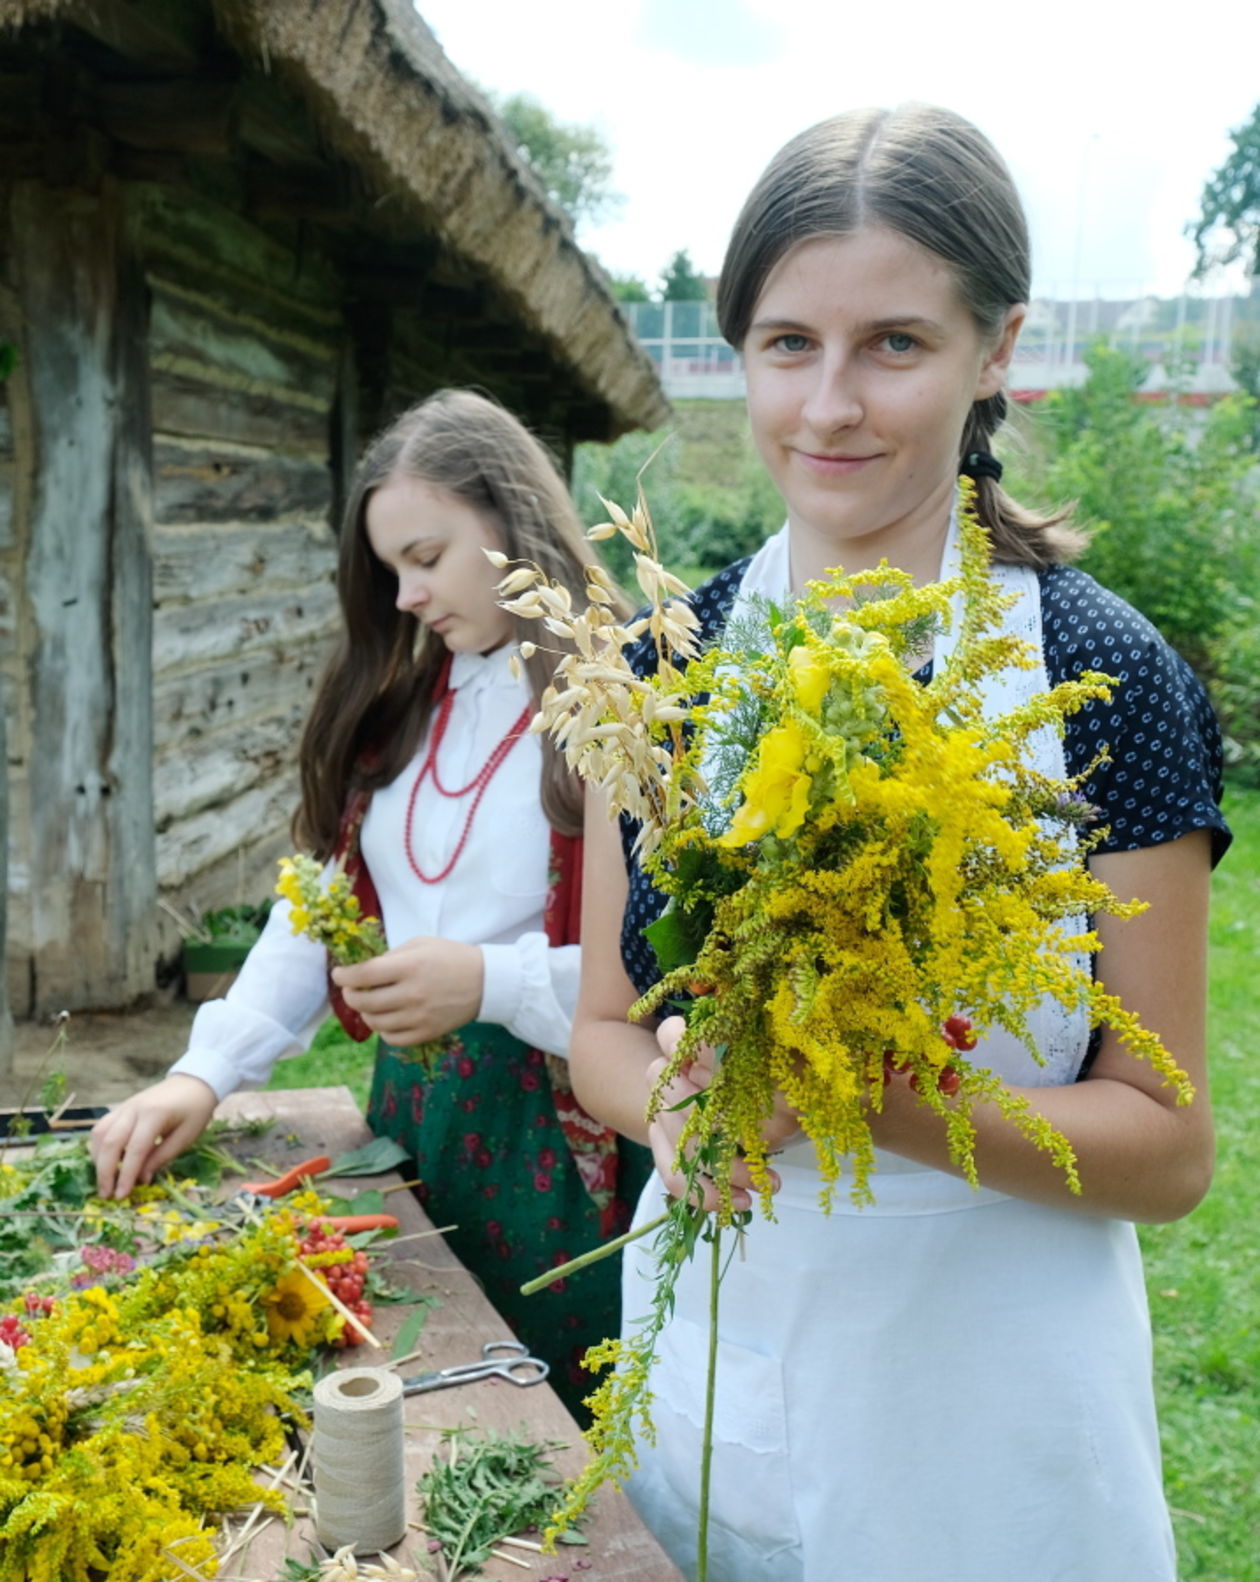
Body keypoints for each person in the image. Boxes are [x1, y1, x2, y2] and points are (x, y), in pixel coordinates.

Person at [570, 105, 1231, 1580]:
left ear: (996, 350)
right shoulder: (661, 665)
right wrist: (681, 1113)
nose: (830, 405)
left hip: (990, 1453)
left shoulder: (1106, 680)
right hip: (711, 1410)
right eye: (789, 342)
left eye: (896, 344)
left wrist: (873, 1096)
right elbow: (605, 1030)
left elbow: (1169, 1148)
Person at [89, 388, 649, 1412]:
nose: (403, 597)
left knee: (547, 1414)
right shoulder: (400, 713)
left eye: (425, 558)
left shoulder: (620, 704)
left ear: (511, 522)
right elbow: (319, 919)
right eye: (390, 569)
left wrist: (487, 979)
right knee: (417, 1384)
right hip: (410, 1113)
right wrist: (202, 1074)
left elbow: (668, 978)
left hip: (559, 1134)